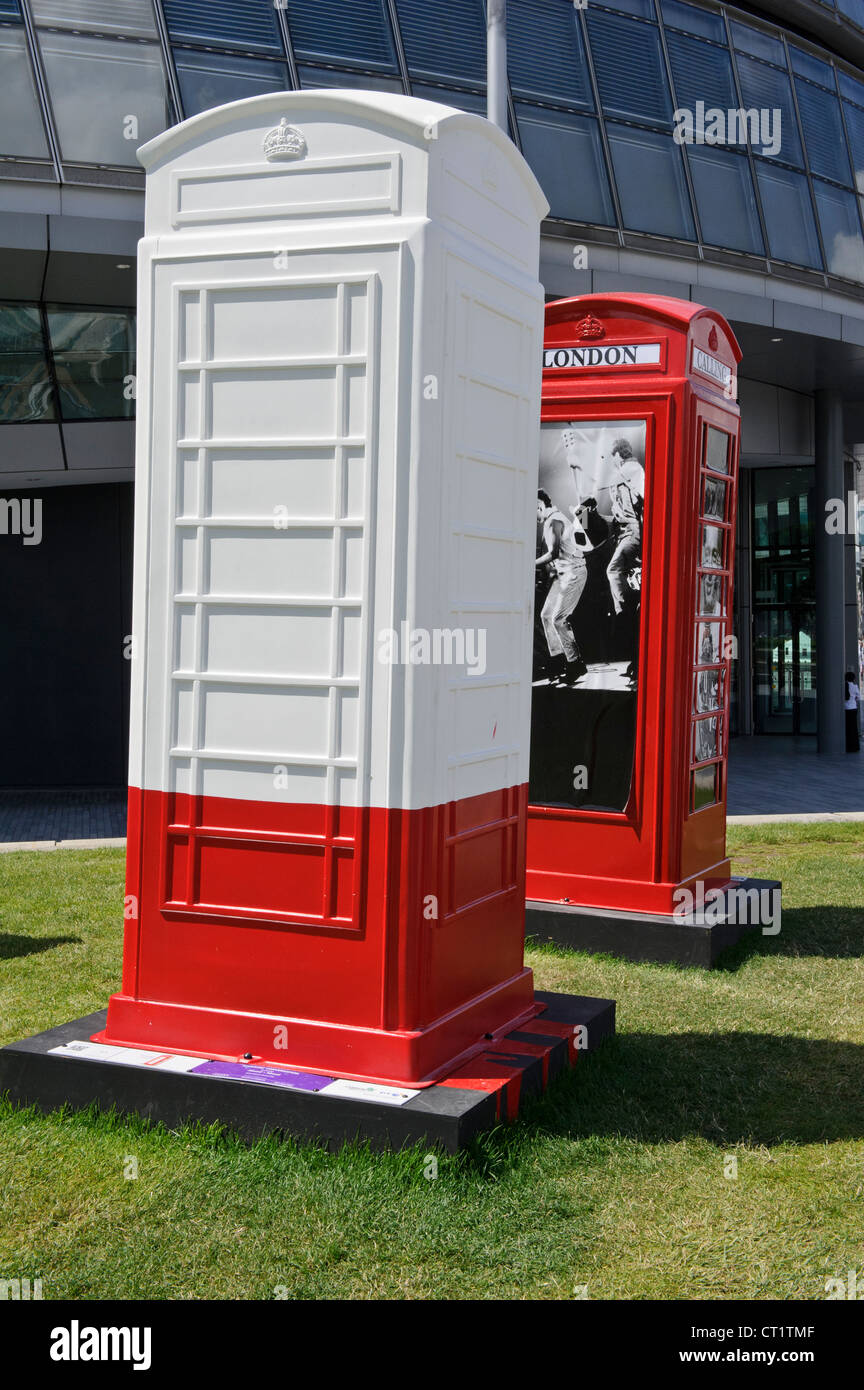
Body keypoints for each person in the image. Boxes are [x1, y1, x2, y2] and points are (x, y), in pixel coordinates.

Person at [536, 490, 588, 686]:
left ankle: (575, 663)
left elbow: (554, 553)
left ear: (539, 506)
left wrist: (529, 563)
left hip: (574, 572)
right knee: (546, 615)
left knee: (558, 618)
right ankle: (558, 660)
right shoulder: (553, 519)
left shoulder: (552, 521)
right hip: (564, 574)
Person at [845, 669, 860, 753]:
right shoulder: (855, 686)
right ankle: (854, 746)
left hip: (845, 709)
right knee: (854, 728)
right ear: (853, 678)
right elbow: (858, 697)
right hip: (853, 708)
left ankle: (847, 745)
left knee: (847, 727)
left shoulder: (843, 685)